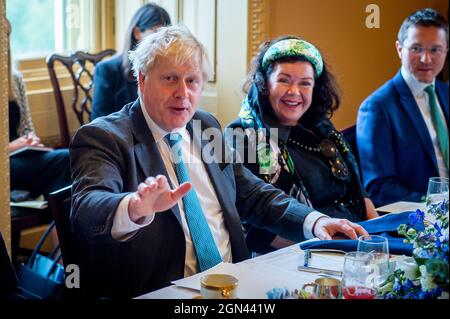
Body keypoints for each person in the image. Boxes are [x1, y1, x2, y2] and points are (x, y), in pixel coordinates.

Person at [70, 25, 367, 298]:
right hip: (162, 291)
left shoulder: (204, 126)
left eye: (192, 81)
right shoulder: (103, 137)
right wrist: (134, 207)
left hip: (236, 282)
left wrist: (314, 221)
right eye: (170, 79)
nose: (182, 93)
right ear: (142, 80)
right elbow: (87, 207)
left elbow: (251, 192)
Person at [226, 36, 378, 254]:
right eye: (284, 80)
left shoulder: (322, 129)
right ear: (264, 84)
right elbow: (257, 229)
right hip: (301, 253)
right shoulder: (242, 135)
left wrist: (377, 243)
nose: (294, 92)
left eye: (305, 83)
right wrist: (334, 249)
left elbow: (359, 195)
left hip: (354, 244)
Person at [357, 8, 449, 207]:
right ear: (399, 49)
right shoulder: (377, 108)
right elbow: (379, 188)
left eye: (435, 50)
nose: (426, 59)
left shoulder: (446, 94)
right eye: (416, 48)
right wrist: (439, 206)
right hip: (418, 220)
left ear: (446, 51)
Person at [7, 19, 71, 198]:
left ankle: (58, 224)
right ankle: (58, 224)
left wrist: (31, 141)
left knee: (68, 158)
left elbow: (27, 129)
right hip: (5, 161)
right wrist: (10, 147)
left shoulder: (14, 79)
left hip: (20, 155)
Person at [91, 3, 171, 119]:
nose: (163, 42)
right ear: (137, 33)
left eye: (166, 35)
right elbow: (98, 121)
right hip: (119, 135)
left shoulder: (168, 71)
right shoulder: (107, 70)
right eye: (156, 33)